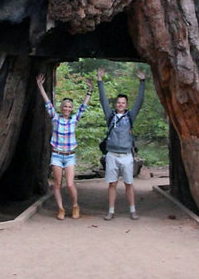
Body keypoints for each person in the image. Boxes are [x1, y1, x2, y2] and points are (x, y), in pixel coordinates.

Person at [36, 73, 93, 220]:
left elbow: (83, 107)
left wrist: (89, 91)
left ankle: (75, 205)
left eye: (69, 107)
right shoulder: (56, 118)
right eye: (65, 106)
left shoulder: (74, 119)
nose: (67, 108)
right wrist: (40, 86)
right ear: (61, 108)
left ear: (71, 108)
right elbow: (47, 102)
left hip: (69, 156)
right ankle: (60, 209)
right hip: (56, 154)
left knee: (69, 183)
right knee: (57, 183)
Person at [96, 67, 145, 220]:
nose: (120, 104)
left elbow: (139, 101)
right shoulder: (110, 116)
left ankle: (132, 210)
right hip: (111, 155)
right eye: (118, 102)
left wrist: (142, 82)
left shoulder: (130, 116)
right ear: (116, 104)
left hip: (126, 155)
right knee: (112, 184)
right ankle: (111, 211)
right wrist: (99, 81)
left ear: (126, 104)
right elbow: (103, 100)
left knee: (129, 184)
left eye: (123, 103)